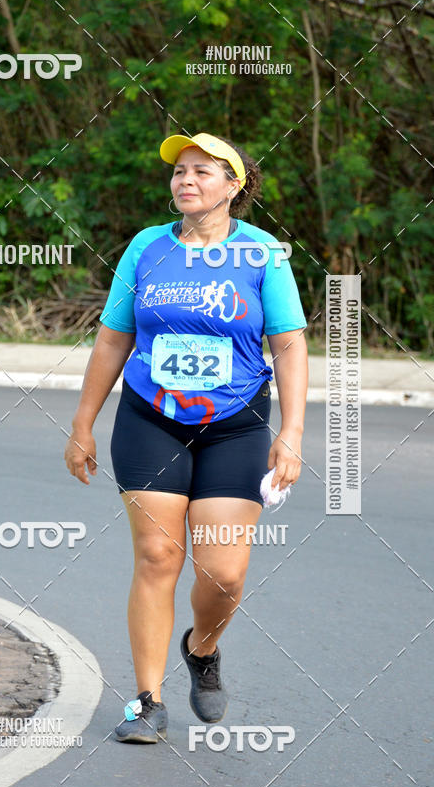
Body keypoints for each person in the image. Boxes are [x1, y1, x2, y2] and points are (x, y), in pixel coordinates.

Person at [64, 132, 308, 744]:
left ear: (235, 184)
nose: (185, 180)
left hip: (235, 425)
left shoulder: (262, 254)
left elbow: (289, 345)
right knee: (157, 555)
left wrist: (294, 432)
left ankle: (202, 650)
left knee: (224, 571)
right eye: (179, 171)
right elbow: (114, 337)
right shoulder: (147, 248)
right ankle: (146, 701)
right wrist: (83, 423)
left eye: (202, 171)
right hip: (151, 418)